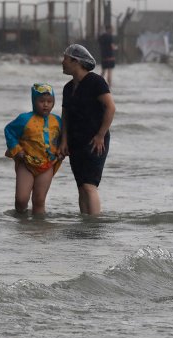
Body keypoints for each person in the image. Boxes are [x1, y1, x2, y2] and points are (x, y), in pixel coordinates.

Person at [59, 44, 116, 216]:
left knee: (89, 185)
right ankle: (85, 223)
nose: (62, 62)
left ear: (76, 61)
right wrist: (64, 140)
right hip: (76, 142)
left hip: (94, 141)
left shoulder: (95, 81)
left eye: (65, 59)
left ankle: (94, 225)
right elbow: (65, 116)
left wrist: (100, 135)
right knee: (81, 186)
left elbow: (110, 107)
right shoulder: (68, 88)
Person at [4, 83, 64, 215]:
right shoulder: (24, 119)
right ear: (33, 101)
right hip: (26, 163)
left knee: (39, 200)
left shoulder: (57, 121)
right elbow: (9, 131)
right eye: (41, 101)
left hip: (47, 165)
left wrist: (62, 150)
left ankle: (38, 229)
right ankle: (21, 222)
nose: (46, 105)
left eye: (49, 101)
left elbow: (64, 138)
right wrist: (17, 149)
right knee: (21, 199)